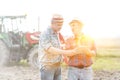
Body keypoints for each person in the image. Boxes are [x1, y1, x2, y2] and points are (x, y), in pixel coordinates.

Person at [38, 14, 84, 80]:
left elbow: (58, 46)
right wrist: (69, 52)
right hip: (48, 67)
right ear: (52, 23)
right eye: (58, 25)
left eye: (61, 25)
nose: (60, 27)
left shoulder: (57, 33)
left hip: (57, 66)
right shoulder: (45, 33)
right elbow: (50, 49)